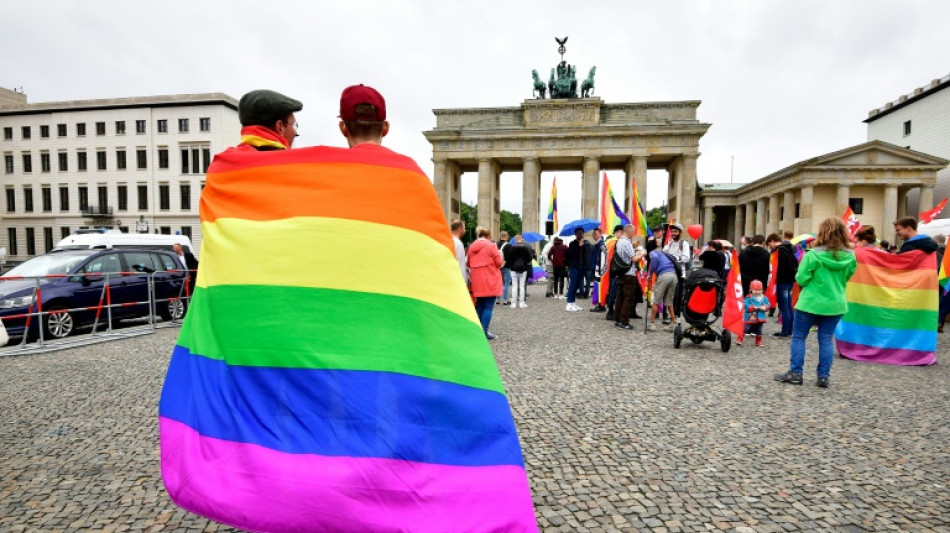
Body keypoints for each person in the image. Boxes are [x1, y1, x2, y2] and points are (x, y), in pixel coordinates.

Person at [775, 218, 857, 388]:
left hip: (810, 303)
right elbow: (847, 278)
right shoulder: (850, 256)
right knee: (826, 339)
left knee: (799, 337)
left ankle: (796, 373)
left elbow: (801, 279)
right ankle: (823, 377)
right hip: (835, 303)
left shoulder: (812, 254)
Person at [234, 89, 302, 152]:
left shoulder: (225, 160)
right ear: (280, 127)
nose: (295, 132)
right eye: (293, 125)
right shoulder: (289, 163)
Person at [467, 227, 503, 339]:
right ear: (488, 236)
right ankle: (485, 332)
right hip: (490, 279)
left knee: (480, 306)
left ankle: (477, 331)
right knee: (488, 307)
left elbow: (468, 263)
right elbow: (499, 262)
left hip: (477, 280)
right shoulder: (491, 246)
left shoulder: (471, 247)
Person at [766, 233, 799, 338]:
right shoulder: (790, 248)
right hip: (790, 281)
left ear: (772, 241)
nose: (770, 247)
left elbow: (780, 268)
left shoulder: (780, 251)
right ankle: (790, 330)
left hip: (782, 281)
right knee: (789, 307)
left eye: (769, 244)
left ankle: (785, 331)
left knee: (784, 308)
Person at [612, 224, 644, 330]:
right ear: (629, 232)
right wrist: (642, 253)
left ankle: (617, 319)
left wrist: (634, 252)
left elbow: (624, 254)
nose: (633, 234)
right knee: (628, 297)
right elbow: (634, 259)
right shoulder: (627, 242)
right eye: (633, 232)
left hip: (620, 272)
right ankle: (624, 321)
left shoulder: (619, 241)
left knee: (620, 297)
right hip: (629, 273)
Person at [647, 246, 678, 330]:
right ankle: (674, 323)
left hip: (664, 275)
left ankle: (652, 324)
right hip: (673, 275)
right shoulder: (665, 254)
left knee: (656, 301)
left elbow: (655, 259)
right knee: (669, 301)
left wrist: (650, 274)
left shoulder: (653, 252)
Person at [738, 280, 769, 347]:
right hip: (750, 316)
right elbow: (746, 304)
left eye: (759, 290)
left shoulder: (764, 298)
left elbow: (768, 304)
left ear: (762, 290)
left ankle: (758, 341)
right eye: (755, 290)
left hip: (760, 316)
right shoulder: (748, 298)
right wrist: (753, 307)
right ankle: (740, 338)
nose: (757, 292)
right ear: (751, 290)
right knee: (746, 328)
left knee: (759, 330)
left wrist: (765, 307)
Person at [565, 228, 590, 311]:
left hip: (582, 267)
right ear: (576, 234)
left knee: (578, 285)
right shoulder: (572, 244)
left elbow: (587, 254)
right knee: (572, 285)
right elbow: (572, 254)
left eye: (582, 233)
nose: (580, 235)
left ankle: (573, 303)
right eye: (578, 233)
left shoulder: (585, 243)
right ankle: (569, 303)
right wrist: (579, 246)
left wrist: (584, 245)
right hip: (574, 267)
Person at [604, 225, 625, 321]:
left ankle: (615, 311)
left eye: (622, 232)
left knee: (617, 292)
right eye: (619, 232)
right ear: (616, 233)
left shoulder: (619, 242)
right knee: (613, 292)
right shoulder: (613, 242)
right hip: (614, 270)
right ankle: (610, 311)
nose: (621, 234)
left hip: (617, 270)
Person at [505, 234, 532, 308]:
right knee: (522, 286)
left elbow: (508, 258)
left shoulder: (512, 248)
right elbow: (529, 258)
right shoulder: (526, 248)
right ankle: (521, 303)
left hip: (513, 269)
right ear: (522, 239)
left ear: (515, 240)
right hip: (523, 268)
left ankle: (513, 303)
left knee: (514, 286)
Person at [587, 228, 606, 308]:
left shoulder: (601, 245)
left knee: (598, 287)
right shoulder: (597, 245)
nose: (593, 235)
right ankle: (599, 304)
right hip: (595, 268)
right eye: (593, 234)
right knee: (596, 286)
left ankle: (600, 305)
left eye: (595, 234)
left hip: (598, 269)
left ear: (600, 234)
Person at [495, 231, 511, 306]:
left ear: (500, 236)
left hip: (497, 266)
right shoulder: (508, 245)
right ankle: (505, 300)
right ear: (506, 236)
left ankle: (497, 299)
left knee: (499, 283)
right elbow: (509, 257)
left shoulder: (496, 244)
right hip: (506, 266)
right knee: (506, 283)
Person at [450, 219, 468, 284]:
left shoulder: (447, 240)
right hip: (457, 280)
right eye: (464, 228)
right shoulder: (458, 244)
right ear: (460, 229)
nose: (465, 231)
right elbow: (460, 264)